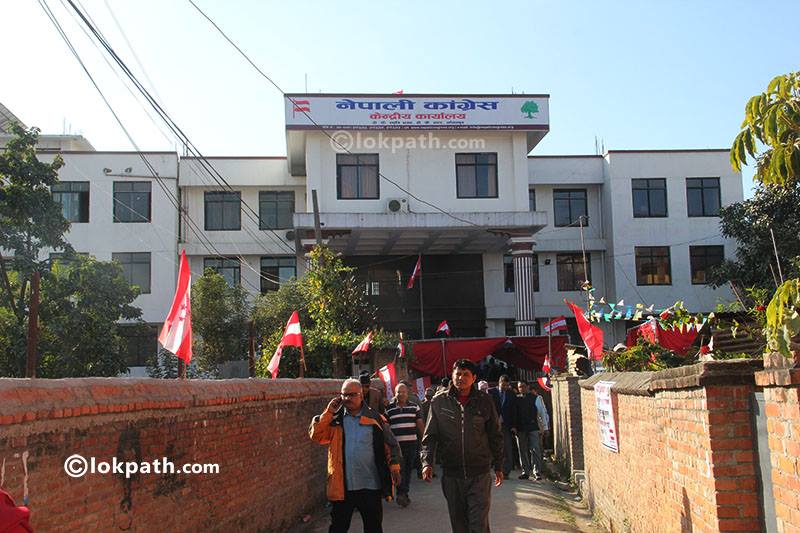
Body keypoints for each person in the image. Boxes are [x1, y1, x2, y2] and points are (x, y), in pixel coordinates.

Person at [421, 359, 504, 533]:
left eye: (466, 374)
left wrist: (499, 465)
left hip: (479, 473)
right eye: (458, 374)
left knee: (478, 524)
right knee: (459, 524)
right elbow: (430, 436)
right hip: (452, 474)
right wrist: (427, 462)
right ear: (452, 376)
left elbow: (495, 435)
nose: (461, 378)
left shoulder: (484, 401)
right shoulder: (439, 402)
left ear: (474, 378)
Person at [309, 378, 402, 533]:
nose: (347, 398)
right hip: (343, 487)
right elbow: (316, 436)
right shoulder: (335, 420)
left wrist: (395, 467)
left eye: (352, 395)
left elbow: (391, 444)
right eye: (344, 395)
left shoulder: (375, 418)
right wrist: (329, 412)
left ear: (361, 395)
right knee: (338, 528)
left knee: (373, 527)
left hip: (370, 485)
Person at [386, 383, 425, 508]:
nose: (401, 394)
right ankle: (401, 493)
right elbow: (386, 428)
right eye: (399, 392)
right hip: (396, 446)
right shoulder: (389, 409)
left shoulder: (414, 407)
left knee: (408, 469)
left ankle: (404, 492)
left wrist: (425, 438)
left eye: (403, 392)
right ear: (395, 393)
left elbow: (419, 423)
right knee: (399, 469)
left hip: (411, 443)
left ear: (407, 393)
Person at [514, 381, 546, 480]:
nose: (521, 389)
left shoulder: (535, 398)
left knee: (535, 450)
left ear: (527, 387)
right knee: (522, 451)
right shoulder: (516, 399)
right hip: (521, 428)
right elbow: (513, 413)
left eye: (523, 386)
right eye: (520, 387)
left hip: (533, 427)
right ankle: (525, 471)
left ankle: (537, 472)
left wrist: (545, 427)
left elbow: (542, 412)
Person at [488, 374, 518, 477]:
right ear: (499, 383)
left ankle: (505, 471)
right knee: (492, 446)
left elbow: (514, 410)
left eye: (507, 385)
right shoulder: (491, 392)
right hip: (493, 424)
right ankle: (490, 469)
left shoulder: (511, 394)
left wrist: (514, 425)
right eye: (503, 385)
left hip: (506, 425)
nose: (505, 387)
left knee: (507, 448)